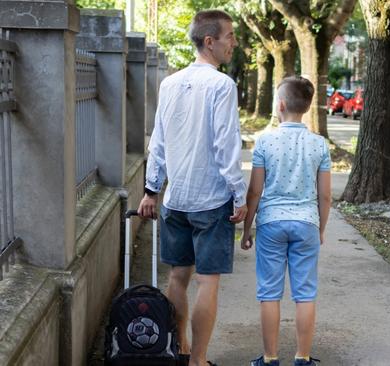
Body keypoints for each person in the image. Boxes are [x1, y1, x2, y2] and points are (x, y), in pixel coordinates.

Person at [137, 9, 247, 366]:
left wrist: (151, 190)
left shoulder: (169, 83)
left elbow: (159, 142)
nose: (234, 43)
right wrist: (240, 196)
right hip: (212, 200)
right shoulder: (222, 85)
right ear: (210, 41)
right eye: (229, 36)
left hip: (176, 198)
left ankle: (180, 350)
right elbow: (225, 144)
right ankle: (198, 360)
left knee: (178, 277)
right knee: (208, 282)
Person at [241, 76, 332, 366]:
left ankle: (269, 358)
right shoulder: (319, 145)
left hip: (271, 224)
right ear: (306, 107)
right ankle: (302, 357)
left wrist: (247, 228)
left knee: (269, 292)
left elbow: (255, 190)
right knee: (305, 293)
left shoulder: (266, 141)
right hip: (305, 222)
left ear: (280, 105)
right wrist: (320, 228)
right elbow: (326, 196)